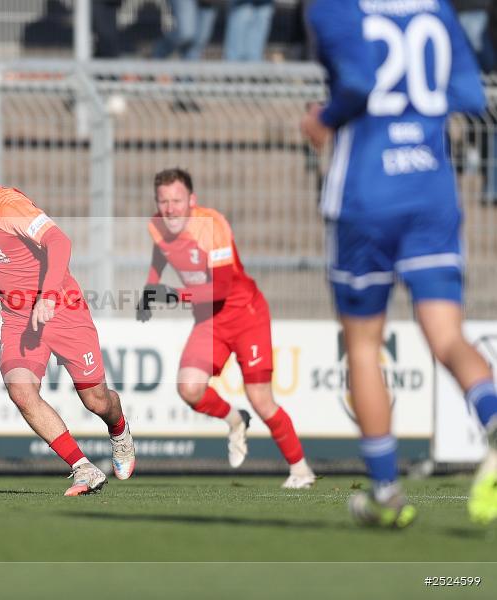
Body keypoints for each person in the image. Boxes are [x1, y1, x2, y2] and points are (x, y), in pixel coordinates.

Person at [302, 0, 497, 527]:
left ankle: (386, 492)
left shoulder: (333, 8)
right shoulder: (435, 8)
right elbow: (469, 93)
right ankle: (494, 419)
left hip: (367, 194)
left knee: (364, 346)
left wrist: (324, 118)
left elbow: (360, 82)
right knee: (448, 336)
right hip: (431, 189)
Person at [0, 148, 135, 496]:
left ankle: (119, 429)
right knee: (21, 391)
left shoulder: (12, 207)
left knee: (96, 401)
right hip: (18, 317)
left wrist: (49, 296)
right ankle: (83, 468)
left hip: (62, 308)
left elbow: (59, 240)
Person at [136, 168, 315, 489]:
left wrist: (173, 295)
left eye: (177, 200)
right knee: (189, 388)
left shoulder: (212, 225)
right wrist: (151, 287)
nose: (170, 208)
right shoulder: (156, 226)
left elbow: (219, 290)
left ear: (192, 200)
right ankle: (236, 420)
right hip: (210, 319)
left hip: (245, 315)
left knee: (260, 398)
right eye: (163, 201)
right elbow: (162, 255)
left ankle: (301, 469)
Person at [153, 0, 221, 60]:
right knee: (185, 33)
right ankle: (158, 54)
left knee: (198, 41)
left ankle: (188, 74)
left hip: (208, 3)